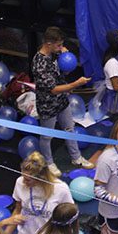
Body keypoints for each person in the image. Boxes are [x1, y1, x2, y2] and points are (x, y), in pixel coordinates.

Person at [1, 151, 75, 234]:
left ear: (42, 177)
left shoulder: (60, 189)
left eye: (28, 179)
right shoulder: (20, 182)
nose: (24, 182)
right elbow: (17, 210)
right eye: (23, 176)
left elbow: (71, 214)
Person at [32, 26, 94, 176]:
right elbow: (52, 89)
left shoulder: (55, 54)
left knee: (69, 128)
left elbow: (62, 72)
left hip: (62, 101)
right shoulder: (39, 63)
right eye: (58, 45)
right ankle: (49, 162)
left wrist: (65, 59)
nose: (61, 48)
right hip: (48, 104)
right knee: (47, 136)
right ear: (48, 44)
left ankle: (76, 157)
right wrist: (75, 84)